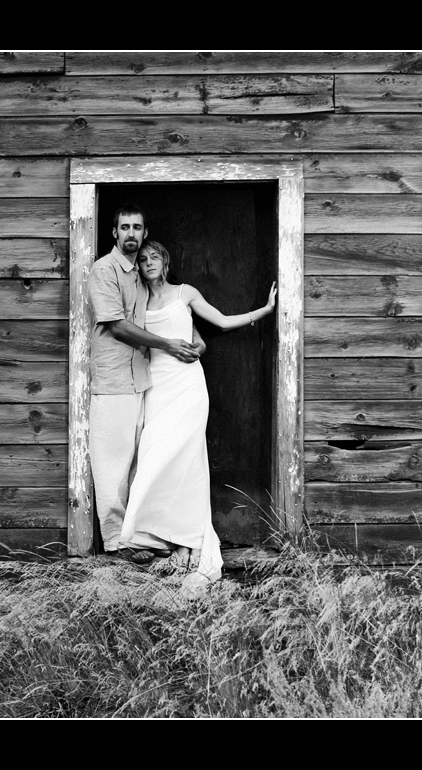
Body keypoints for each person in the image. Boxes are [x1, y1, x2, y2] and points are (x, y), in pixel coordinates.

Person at [119, 240, 277, 587]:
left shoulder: (184, 292)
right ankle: (150, 534)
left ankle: (187, 537)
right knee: (153, 453)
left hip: (187, 385)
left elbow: (218, 321)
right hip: (155, 384)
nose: (148, 263)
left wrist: (263, 311)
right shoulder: (137, 298)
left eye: (154, 257)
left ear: (165, 261)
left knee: (188, 460)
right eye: (143, 259)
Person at [87, 205, 205, 564]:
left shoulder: (139, 273)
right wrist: (169, 345)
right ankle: (115, 542)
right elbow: (117, 325)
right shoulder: (104, 270)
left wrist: (192, 336)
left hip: (143, 379)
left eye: (137, 228)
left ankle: (139, 533)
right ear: (114, 233)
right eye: (124, 227)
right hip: (113, 378)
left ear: (144, 231)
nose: (131, 234)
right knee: (110, 461)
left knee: (140, 458)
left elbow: (163, 312)